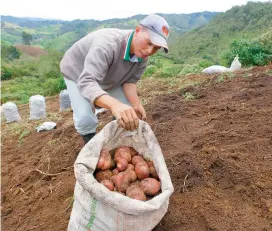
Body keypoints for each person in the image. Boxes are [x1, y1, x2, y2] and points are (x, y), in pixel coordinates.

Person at [60, 14, 170, 144]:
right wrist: (114, 105)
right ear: (138, 30)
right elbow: (87, 82)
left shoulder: (142, 56)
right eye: (149, 42)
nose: (149, 51)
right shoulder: (107, 45)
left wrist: (136, 104)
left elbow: (129, 81)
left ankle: (115, 139)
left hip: (107, 75)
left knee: (128, 107)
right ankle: (91, 146)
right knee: (85, 118)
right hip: (78, 73)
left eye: (156, 48)